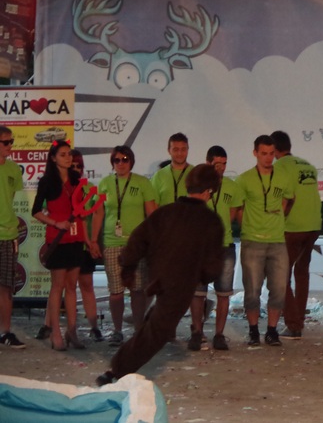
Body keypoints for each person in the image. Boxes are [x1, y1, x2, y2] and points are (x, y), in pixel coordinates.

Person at [96, 165, 224, 386]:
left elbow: (138, 237)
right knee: (159, 331)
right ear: (208, 192)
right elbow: (213, 264)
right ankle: (115, 372)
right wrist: (204, 276)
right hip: (182, 282)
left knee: (156, 322)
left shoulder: (166, 212)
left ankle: (119, 366)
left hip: (158, 276)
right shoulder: (211, 221)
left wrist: (128, 265)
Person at [32, 141, 97, 350]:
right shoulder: (47, 182)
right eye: (63, 154)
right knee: (57, 286)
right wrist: (55, 222)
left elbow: (83, 212)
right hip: (58, 239)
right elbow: (36, 211)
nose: (68, 157)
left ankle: (72, 331)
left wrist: (88, 240)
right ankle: (56, 333)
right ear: (53, 158)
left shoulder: (77, 180)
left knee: (72, 286)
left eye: (69, 154)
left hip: (76, 239)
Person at [92, 146, 158, 346]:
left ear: (131, 161)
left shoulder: (143, 182)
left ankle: (138, 330)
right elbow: (98, 214)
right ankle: (117, 330)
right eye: (117, 160)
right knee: (116, 291)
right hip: (112, 242)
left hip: (137, 245)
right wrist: (93, 240)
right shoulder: (105, 183)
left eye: (125, 159)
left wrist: (155, 241)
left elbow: (152, 214)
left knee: (138, 290)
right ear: (112, 162)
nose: (121, 163)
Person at [235, 135, 294, 347]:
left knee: (279, 289)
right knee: (252, 291)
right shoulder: (244, 179)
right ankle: (253, 331)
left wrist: (276, 219)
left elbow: (287, 200)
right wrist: (250, 226)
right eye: (264, 154)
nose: (268, 158)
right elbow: (238, 209)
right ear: (255, 153)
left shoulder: (283, 176)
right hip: (252, 241)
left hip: (277, 241)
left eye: (271, 154)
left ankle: (271, 330)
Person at [187, 146, 243, 351]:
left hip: (224, 246)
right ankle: (197, 332)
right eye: (217, 163)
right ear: (208, 162)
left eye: (224, 164)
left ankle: (219, 334)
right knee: (197, 293)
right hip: (201, 247)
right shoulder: (198, 185)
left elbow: (232, 215)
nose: (221, 167)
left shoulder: (232, 187)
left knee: (224, 293)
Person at [271, 130, 322, 340]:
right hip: (313, 225)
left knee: (279, 275)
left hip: (292, 227)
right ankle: (298, 321)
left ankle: (293, 324)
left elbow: (285, 198)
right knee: (302, 273)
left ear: (274, 149)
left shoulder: (279, 167)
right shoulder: (308, 165)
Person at [0, 126, 25, 349]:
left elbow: (11, 198)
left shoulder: (13, 169)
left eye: (11, 142)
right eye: (6, 142)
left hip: (8, 234)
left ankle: (5, 332)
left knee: (6, 286)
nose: (10, 146)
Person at [151, 132, 192, 206]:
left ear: (188, 150)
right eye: (175, 150)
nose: (180, 153)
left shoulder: (196, 173)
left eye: (183, 149)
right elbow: (153, 207)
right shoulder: (159, 175)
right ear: (169, 151)